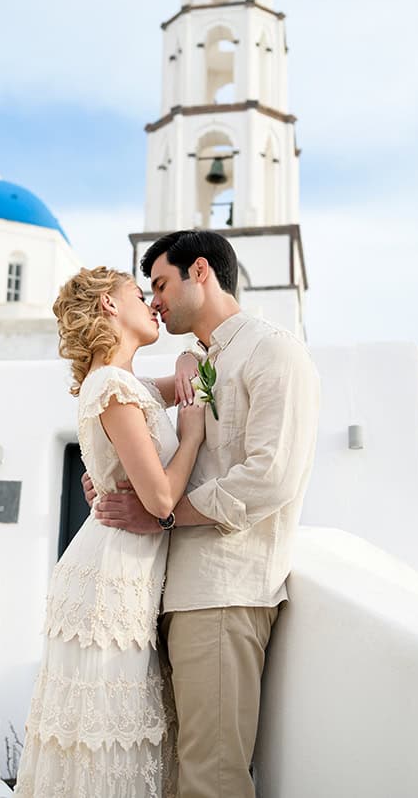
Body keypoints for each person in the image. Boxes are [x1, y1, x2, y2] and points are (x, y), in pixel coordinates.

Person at [86, 230, 320, 798]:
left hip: (223, 592)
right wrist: (109, 476)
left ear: (200, 271)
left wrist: (163, 517)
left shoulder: (274, 351)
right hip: (171, 593)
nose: (155, 301)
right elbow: (128, 421)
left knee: (210, 776)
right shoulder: (201, 361)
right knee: (176, 771)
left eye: (161, 284)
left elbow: (270, 477)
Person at [14, 265, 204, 798]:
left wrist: (187, 356)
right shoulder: (112, 387)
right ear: (109, 306)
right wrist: (190, 438)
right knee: (107, 732)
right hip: (109, 580)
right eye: (139, 295)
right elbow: (160, 499)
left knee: (114, 730)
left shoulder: (127, 384)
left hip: (124, 570)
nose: (153, 305)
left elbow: (189, 379)